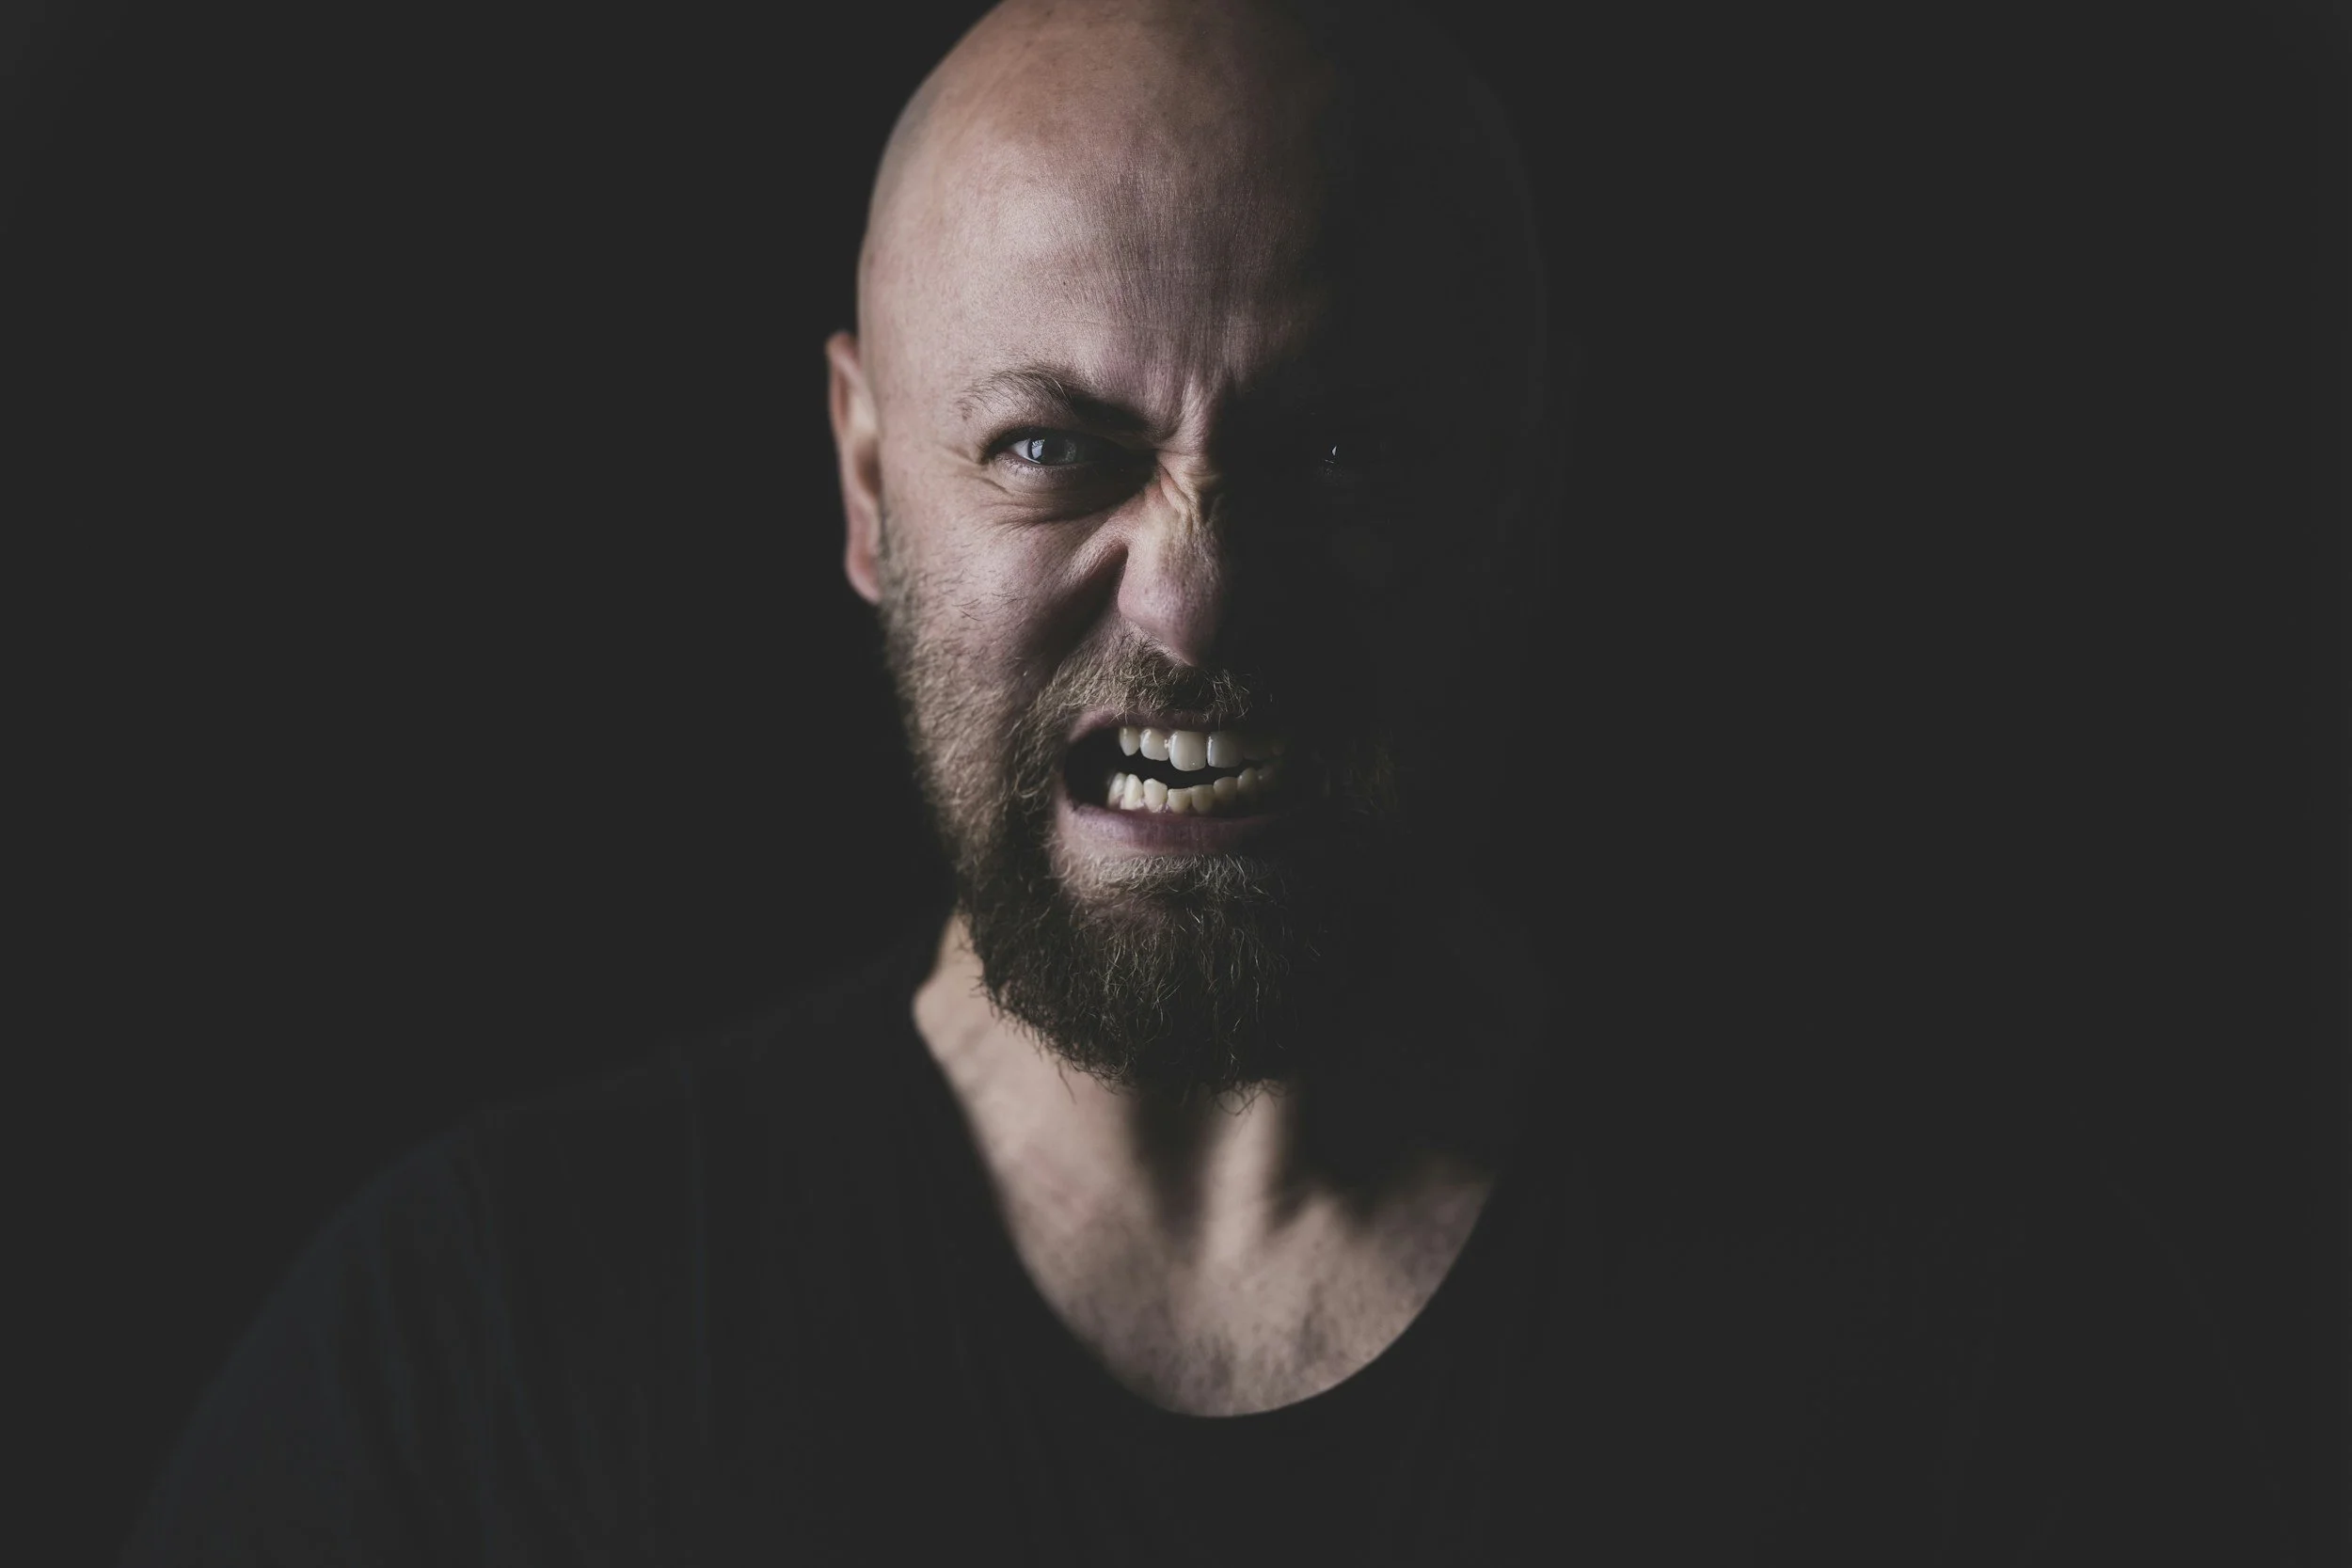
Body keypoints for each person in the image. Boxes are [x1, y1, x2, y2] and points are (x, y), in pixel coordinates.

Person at [119, 1, 2295, 1562]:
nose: (1190, 599)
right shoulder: (480, 1356)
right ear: (867, 482)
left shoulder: (1974, 1344)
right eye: (1046, 448)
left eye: (1338, 447)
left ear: (1526, 477)